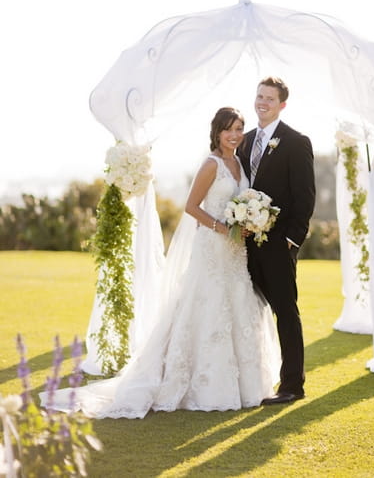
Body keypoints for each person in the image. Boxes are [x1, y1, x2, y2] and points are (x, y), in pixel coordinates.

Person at [41, 107, 280, 417]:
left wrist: (246, 220)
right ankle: (204, 384)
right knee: (207, 309)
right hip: (212, 247)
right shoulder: (212, 164)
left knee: (238, 306)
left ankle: (247, 385)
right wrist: (221, 226)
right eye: (229, 129)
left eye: (239, 128)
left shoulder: (239, 163)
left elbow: (241, 202)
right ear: (217, 132)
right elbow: (192, 207)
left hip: (236, 251)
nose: (235, 135)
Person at [238, 77, 315, 404]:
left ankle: (292, 386)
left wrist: (292, 240)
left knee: (285, 311)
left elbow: (305, 197)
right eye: (259, 96)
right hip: (242, 243)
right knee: (245, 310)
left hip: (277, 244)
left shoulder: (296, 142)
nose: (262, 102)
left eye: (269, 98)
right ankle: (246, 379)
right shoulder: (244, 140)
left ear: (282, 104)